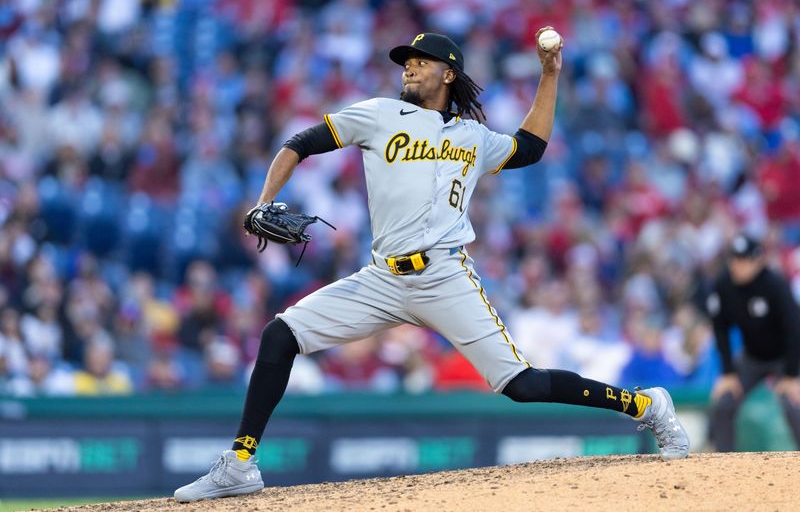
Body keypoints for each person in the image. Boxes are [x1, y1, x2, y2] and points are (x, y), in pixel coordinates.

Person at [173, 29, 689, 503]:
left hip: (444, 275)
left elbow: (530, 148)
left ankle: (646, 407)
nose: (409, 69)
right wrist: (264, 199)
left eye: (421, 62)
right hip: (381, 278)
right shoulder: (378, 114)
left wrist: (550, 74)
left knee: (521, 385)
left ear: (449, 74)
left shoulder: (473, 136)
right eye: (406, 62)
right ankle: (241, 462)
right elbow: (300, 143)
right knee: (279, 335)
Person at [706, 234, 800, 451]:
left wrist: (792, 376)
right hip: (752, 357)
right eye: (734, 260)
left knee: (792, 402)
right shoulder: (724, 285)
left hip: (785, 357)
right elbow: (720, 328)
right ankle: (721, 462)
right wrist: (727, 372)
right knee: (725, 400)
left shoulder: (775, 284)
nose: (737, 266)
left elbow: (794, 330)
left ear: (757, 261)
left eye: (744, 260)